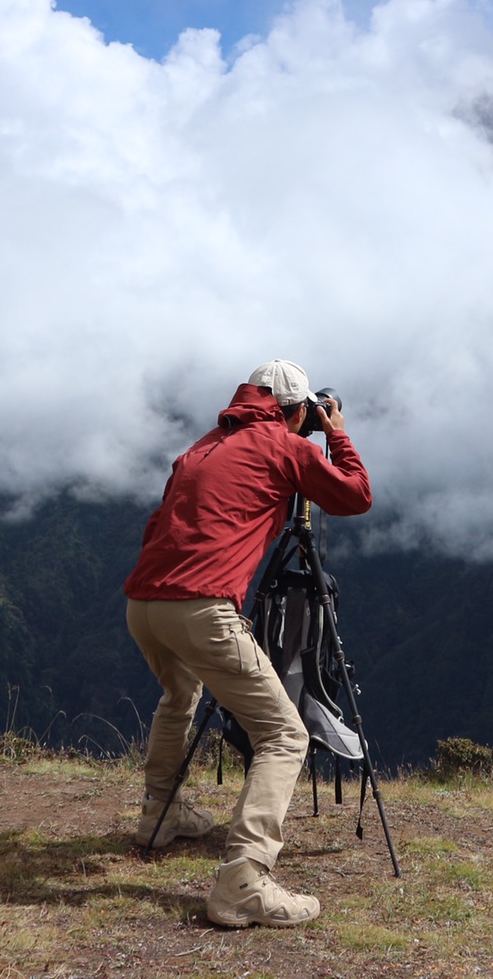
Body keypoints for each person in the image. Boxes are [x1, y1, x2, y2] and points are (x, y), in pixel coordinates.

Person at [123, 358, 372, 928]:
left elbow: (156, 525)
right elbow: (355, 495)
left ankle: (159, 816)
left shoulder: (203, 445)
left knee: (178, 696)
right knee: (285, 735)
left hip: (143, 603)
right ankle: (243, 880)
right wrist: (335, 434)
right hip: (202, 606)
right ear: (294, 410)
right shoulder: (284, 447)